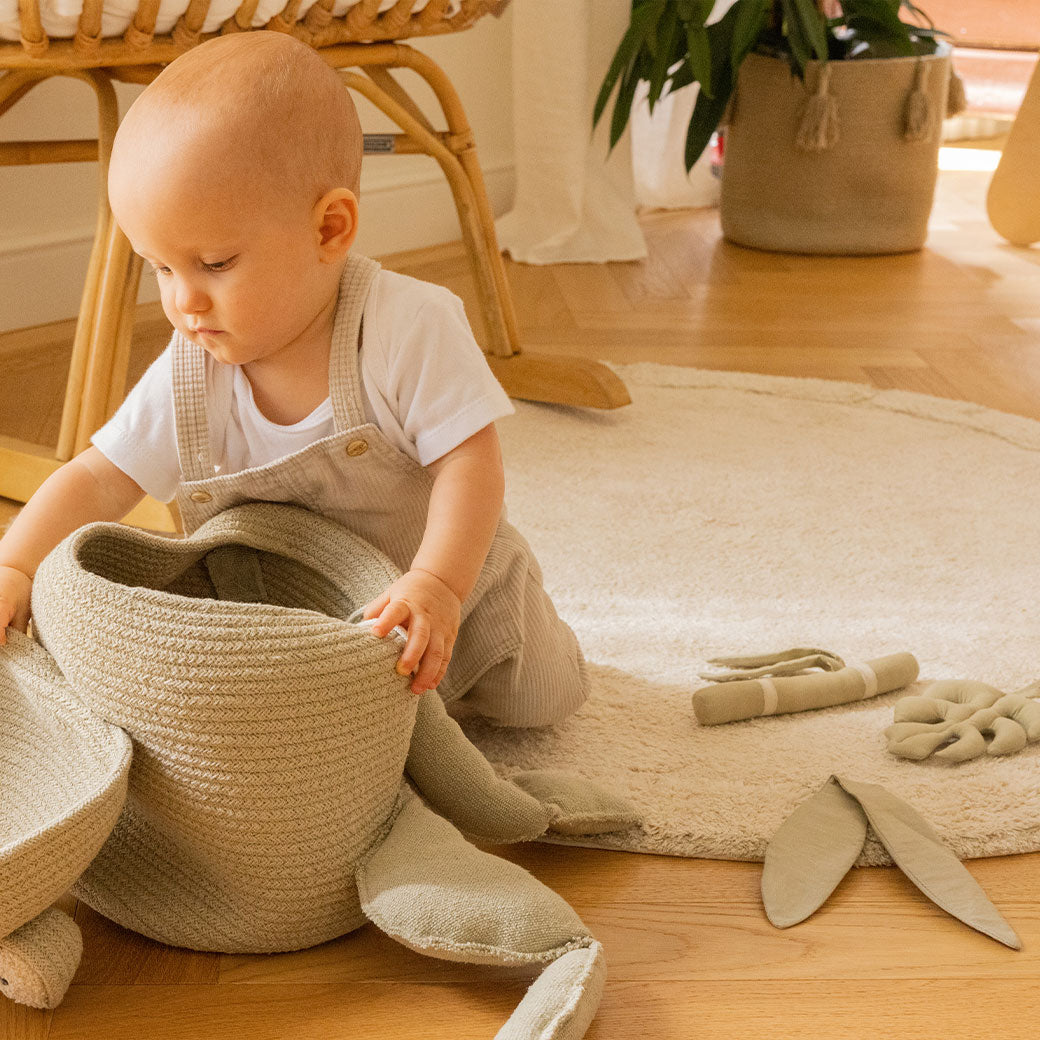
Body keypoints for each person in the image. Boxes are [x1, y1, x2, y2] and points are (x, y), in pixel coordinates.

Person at [0, 31, 588, 727]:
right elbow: (98, 478)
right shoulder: (193, 370)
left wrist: (437, 582)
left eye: (214, 263)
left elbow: (470, 462)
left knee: (538, 705)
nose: (183, 301)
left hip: (452, 591)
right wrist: (17, 566)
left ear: (330, 230)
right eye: (159, 267)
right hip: (301, 621)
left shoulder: (408, 325)